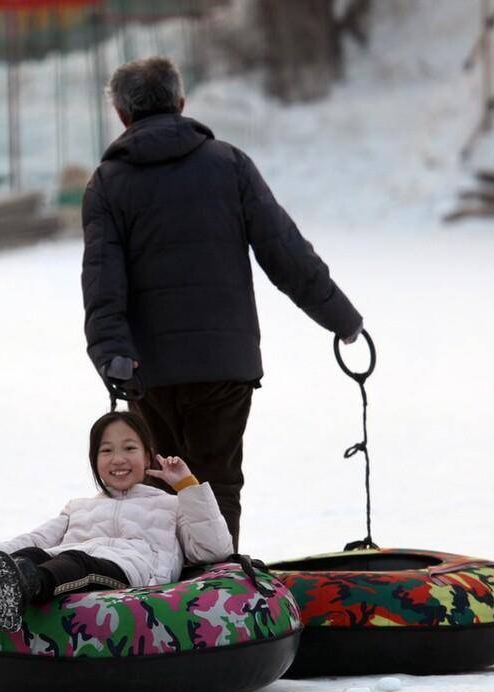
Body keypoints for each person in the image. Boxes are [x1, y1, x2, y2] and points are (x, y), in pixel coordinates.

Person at [81, 56, 363, 550]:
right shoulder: (228, 164)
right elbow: (286, 253)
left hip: (147, 370)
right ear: (182, 103)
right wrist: (341, 318)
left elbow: (101, 281)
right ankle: (218, 600)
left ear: (123, 115)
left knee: (155, 485)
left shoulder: (108, 182)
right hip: (223, 365)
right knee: (215, 484)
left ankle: (160, 597)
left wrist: (110, 353)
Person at [0, 411, 234, 636]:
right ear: (95, 461)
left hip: (129, 571)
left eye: (129, 448)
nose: (118, 459)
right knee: (35, 556)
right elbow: (37, 538)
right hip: (67, 560)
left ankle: (23, 585)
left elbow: (213, 550)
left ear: (147, 456)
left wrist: (187, 486)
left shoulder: (172, 505)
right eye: (106, 451)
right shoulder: (79, 507)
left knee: (75, 561)